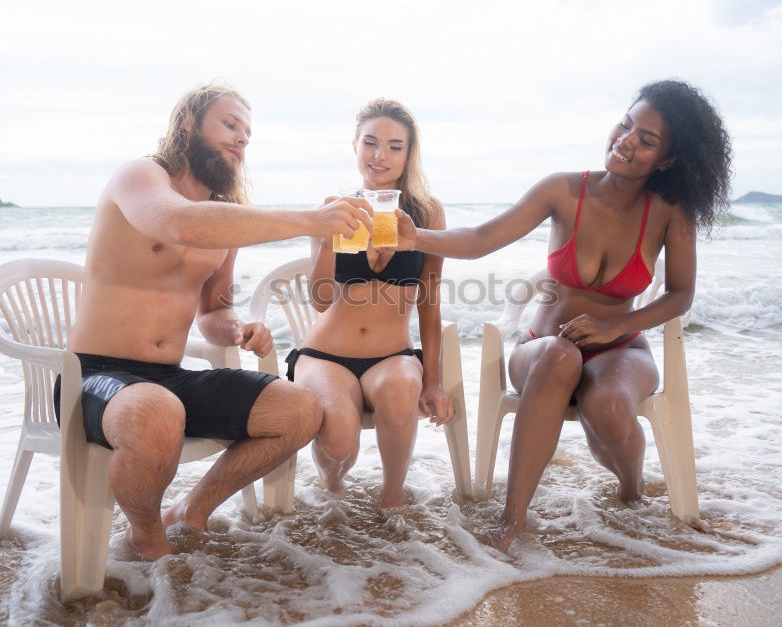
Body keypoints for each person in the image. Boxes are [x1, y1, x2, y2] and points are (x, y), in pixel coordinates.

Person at [396, 80, 733, 550]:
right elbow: (479, 239)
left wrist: (614, 326)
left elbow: (680, 295)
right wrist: (417, 238)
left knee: (611, 408)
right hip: (540, 348)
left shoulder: (670, 213)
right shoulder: (562, 190)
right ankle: (512, 522)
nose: (626, 140)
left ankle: (631, 492)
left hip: (619, 347)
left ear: (668, 160)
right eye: (627, 124)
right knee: (559, 356)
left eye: (646, 140)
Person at [56, 81, 374, 560]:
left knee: (302, 409)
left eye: (247, 132)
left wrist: (237, 328)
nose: (242, 138)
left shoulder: (226, 221)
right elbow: (179, 222)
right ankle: (144, 533)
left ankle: (191, 508)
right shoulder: (140, 176)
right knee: (156, 411)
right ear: (189, 123)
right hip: (93, 376)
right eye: (230, 124)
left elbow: (212, 310)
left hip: (169, 380)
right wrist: (312, 220)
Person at [286, 98, 454, 507]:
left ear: (408, 153)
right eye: (371, 143)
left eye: (395, 146)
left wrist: (433, 380)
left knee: (399, 391)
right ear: (355, 144)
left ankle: (391, 500)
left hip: (391, 355)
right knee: (339, 440)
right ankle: (333, 490)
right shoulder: (334, 206)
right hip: (326, 355)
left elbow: (429, 306)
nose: (381, 156)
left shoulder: (426, 212)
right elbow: (321, 300)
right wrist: (326, 236)